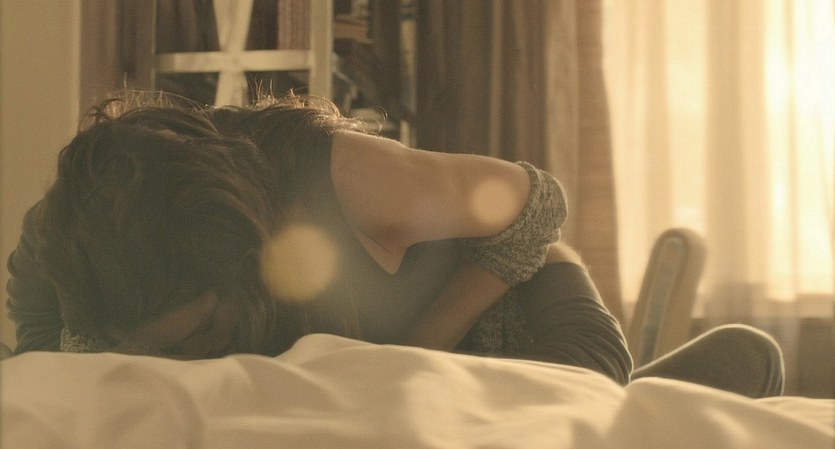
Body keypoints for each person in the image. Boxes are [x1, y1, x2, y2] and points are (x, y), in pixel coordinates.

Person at [5, 92, 783, 397]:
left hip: (517, 305)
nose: (174, 367)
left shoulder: (341, 177)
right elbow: (39, 353)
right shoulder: (61, 240)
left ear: (239, 263)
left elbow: (535, 203)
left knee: (566, 402)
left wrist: (411, 355)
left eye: (195, 335)